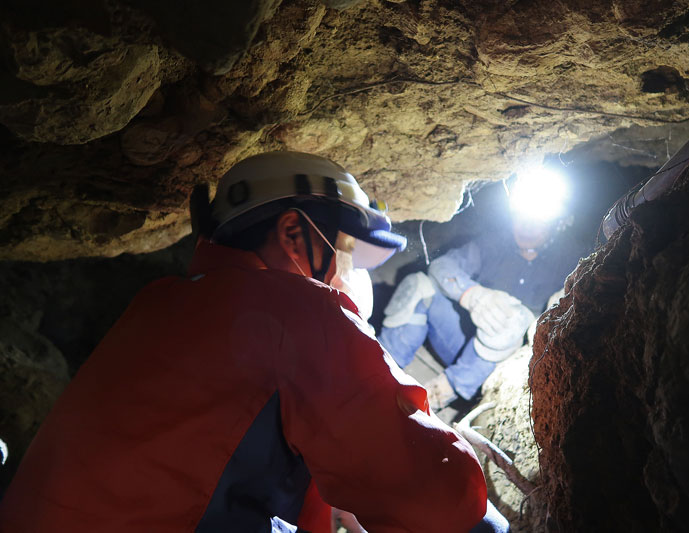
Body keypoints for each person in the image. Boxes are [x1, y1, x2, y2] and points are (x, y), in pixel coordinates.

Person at [0, 152, 508, 533]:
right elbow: (440, 495)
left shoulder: (159, 302)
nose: (349, 269)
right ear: (294, 233)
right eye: (346, 249)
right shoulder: (298, 310)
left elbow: (228, 445)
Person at [379, 170, 587, 409]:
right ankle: (381, 374)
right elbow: (442, 265)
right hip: (463, 347)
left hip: (507, 369)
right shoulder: (493, 244)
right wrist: (473, 295)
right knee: (418, 285)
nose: (527, 227)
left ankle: (431, 400)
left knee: (514, 320)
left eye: (537, 221)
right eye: (521, 217)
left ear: (556, 222)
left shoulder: (570, 259)